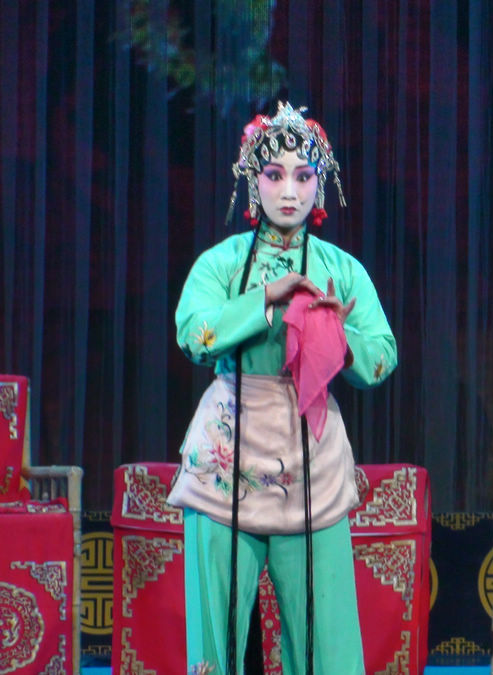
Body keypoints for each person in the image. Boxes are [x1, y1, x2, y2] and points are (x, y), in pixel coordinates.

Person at [167, 102, 397, 674]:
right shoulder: (221, 263)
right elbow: (194, 334)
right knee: (215, 640)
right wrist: (266, 298)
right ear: (254, 181)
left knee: (325, 645)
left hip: (310, 454)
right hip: (227, 453)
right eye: (274, 175)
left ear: (321, 185)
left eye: (303, 175)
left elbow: (382, 356)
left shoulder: (341, 270)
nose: (288, 191)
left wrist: (340, 339)